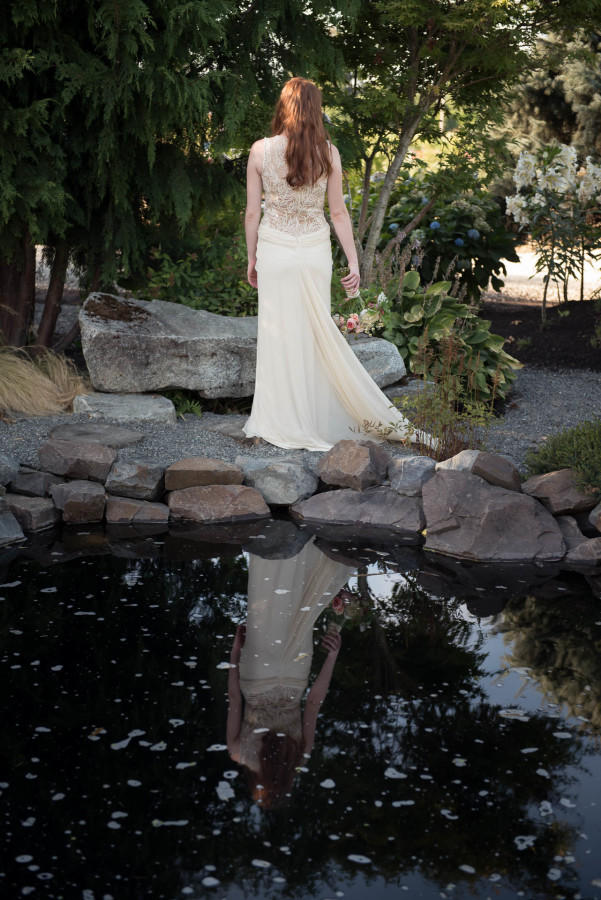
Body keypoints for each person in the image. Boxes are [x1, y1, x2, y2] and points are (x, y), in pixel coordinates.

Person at [243, 76, 417, 451]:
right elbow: (338, 213)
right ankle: (314, 418)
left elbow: (252, 212)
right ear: (316, 109)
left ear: (284, 106)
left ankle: (279, 419)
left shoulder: (259, 151)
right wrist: (353, 264)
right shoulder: (329, 153)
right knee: (313, 337)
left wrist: (251, 257)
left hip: (274, 250)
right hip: (315, 251)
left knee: (278, 334)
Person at [226, 537, 355, 809]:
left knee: (299, 607)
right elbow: (235, 699)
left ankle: (305, 539)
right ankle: (271, 540)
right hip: (257, 675)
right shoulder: (238, 753)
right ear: (255, 785)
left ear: (287, 785)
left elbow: (313, 702)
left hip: (294, 677)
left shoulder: (300, 756)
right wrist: (235, 654)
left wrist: (331, 656)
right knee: (265, 600)